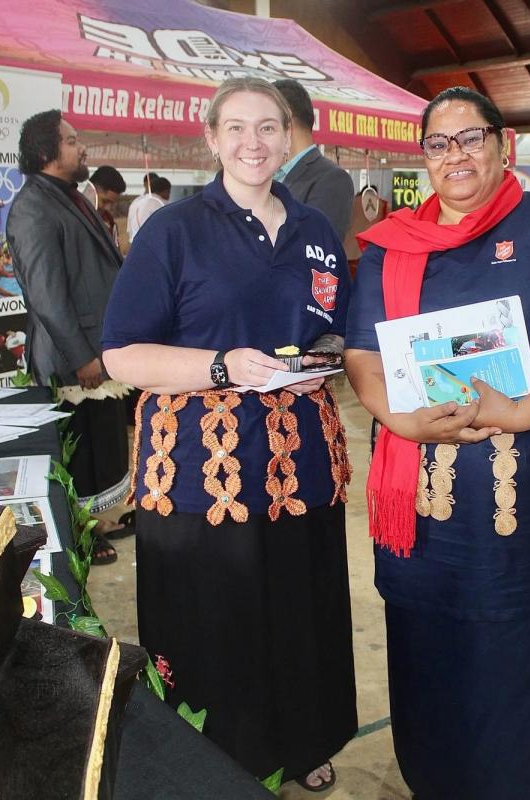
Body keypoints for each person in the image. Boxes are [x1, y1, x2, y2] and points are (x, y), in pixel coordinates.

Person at [344, 86, 530, 800]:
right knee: (425, 654)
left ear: (505, 146)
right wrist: (399, 420)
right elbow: (363, 358)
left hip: (526, 507)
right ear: (424, 158)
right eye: (439, 144)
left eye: (471, 138)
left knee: (518, 660)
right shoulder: (389, 247)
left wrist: (523, 410)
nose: (456, 156)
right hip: (422, 509)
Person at [100, 77, 356, 793]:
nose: (253, 142)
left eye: (268, 127)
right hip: (201, 472)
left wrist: (326, 359)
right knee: (217, 621)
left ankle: (303, 743)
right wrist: (219, 365)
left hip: (301, 460)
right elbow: (121, 353)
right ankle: (213, 763)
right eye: (236, 128)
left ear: (289, 135)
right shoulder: (175, 230)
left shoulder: (313, 231)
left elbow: (330, 326)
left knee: (300, 609)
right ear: (210, 138)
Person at [8, 109, 130, 564]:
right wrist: (81, 356)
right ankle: (77, 535)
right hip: (69, 360)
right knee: (76, 456)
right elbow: (47, 294)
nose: (83, 148)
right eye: (72, 140)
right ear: (46, 152)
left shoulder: (68, 196)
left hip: (96, 353)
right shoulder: (33, 206)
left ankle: (97, 523)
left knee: (99, 451)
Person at [273, 78, 355, 238]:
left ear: (286, 117)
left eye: (266, 123)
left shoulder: (332, 179)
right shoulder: (269, 175)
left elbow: (314, 246)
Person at [86, 165, 127, 248]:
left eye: (112, 204)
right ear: (91, 191)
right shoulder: (74, 216)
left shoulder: (108, 220)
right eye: (105, 201)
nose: (108, 208)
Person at [127, 171, 167, 244]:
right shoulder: (159, 202)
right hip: (150, 245)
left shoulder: (135, 201)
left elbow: (129, 230)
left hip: (134, 244)